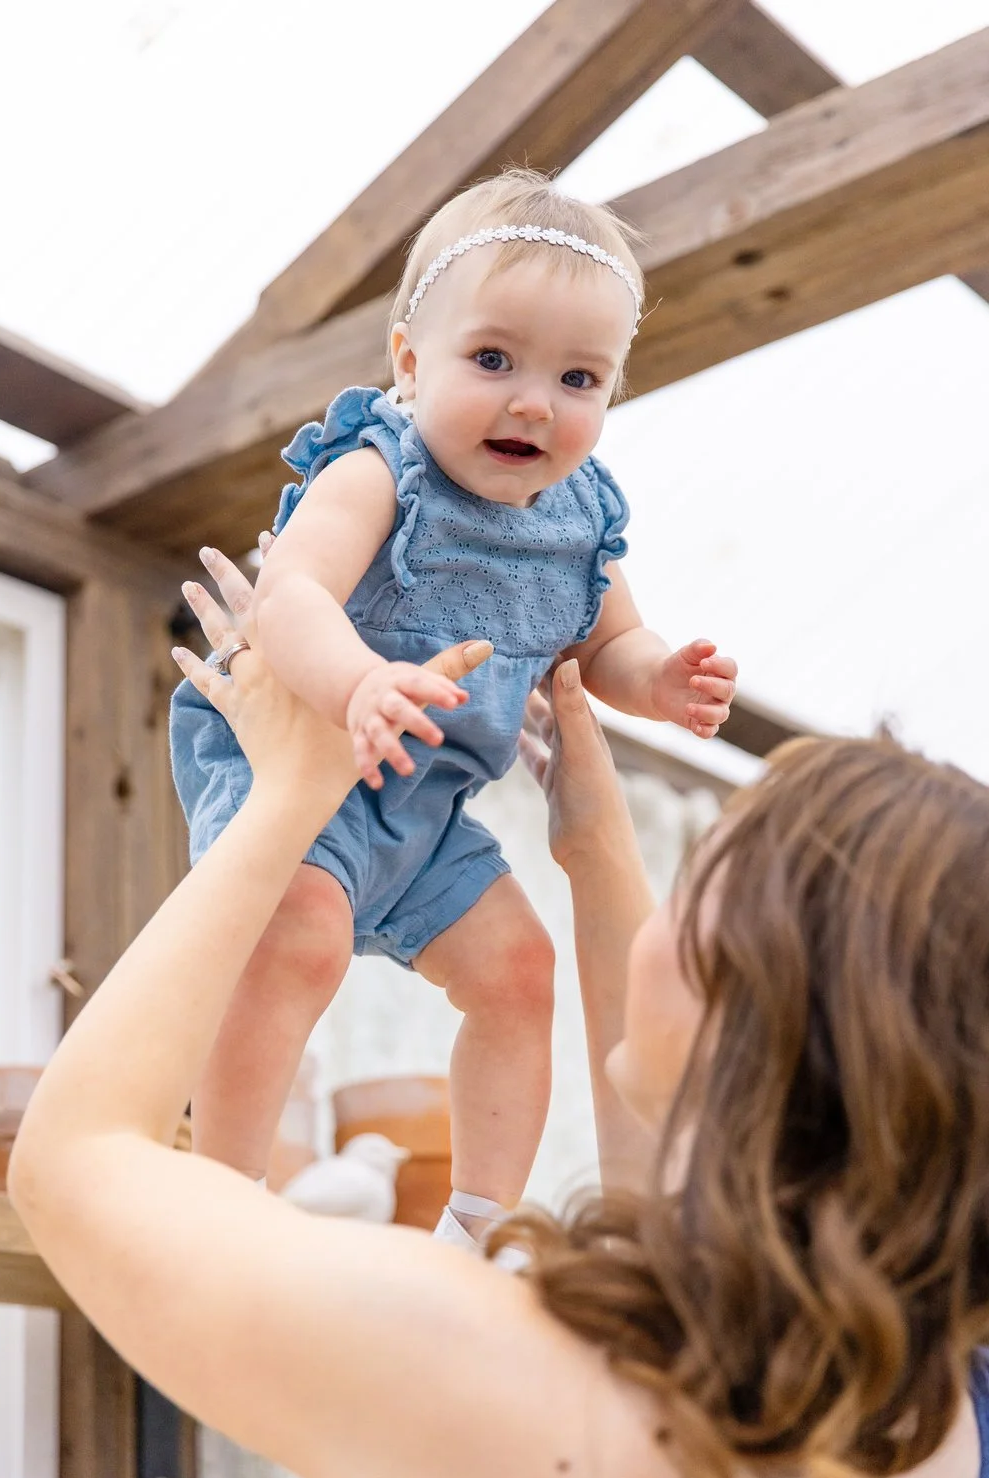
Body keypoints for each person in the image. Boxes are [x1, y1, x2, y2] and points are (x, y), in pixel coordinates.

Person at [10, 549, 989, 1478]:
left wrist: (290, 796)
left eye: (695, 883)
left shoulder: (516, 1382)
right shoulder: (948, 1411)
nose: (662, 910)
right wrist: (597, 845)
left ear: (746, 1006)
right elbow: (674, 1169)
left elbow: (74, 1159)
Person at [168, 167, 738, 1247]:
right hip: (294, 762)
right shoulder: (380, 472)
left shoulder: (580, 521)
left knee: (521, 972)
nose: (535, 401)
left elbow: (608, 643)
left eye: (579, 378)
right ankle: (227, 1188)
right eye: (493, 360)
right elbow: (287, 593)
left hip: (424, 809)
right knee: (299, 938)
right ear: (407, 362)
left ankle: (476, 1223)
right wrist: (356, 683)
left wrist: (658, 680)